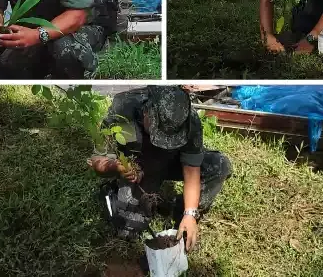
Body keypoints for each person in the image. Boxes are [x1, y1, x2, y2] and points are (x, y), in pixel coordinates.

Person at [88, 86, 232, 252]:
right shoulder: (123, 110)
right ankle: (121, 192)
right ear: (147, 112)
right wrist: (118, 167)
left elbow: (192, 168)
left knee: (220, 165)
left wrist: (190, 213)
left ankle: (179, 207)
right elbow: (98, 162)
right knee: (128, 229)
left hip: (172, 161)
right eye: (161, 134)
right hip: (140, 167)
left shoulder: (190, 121)